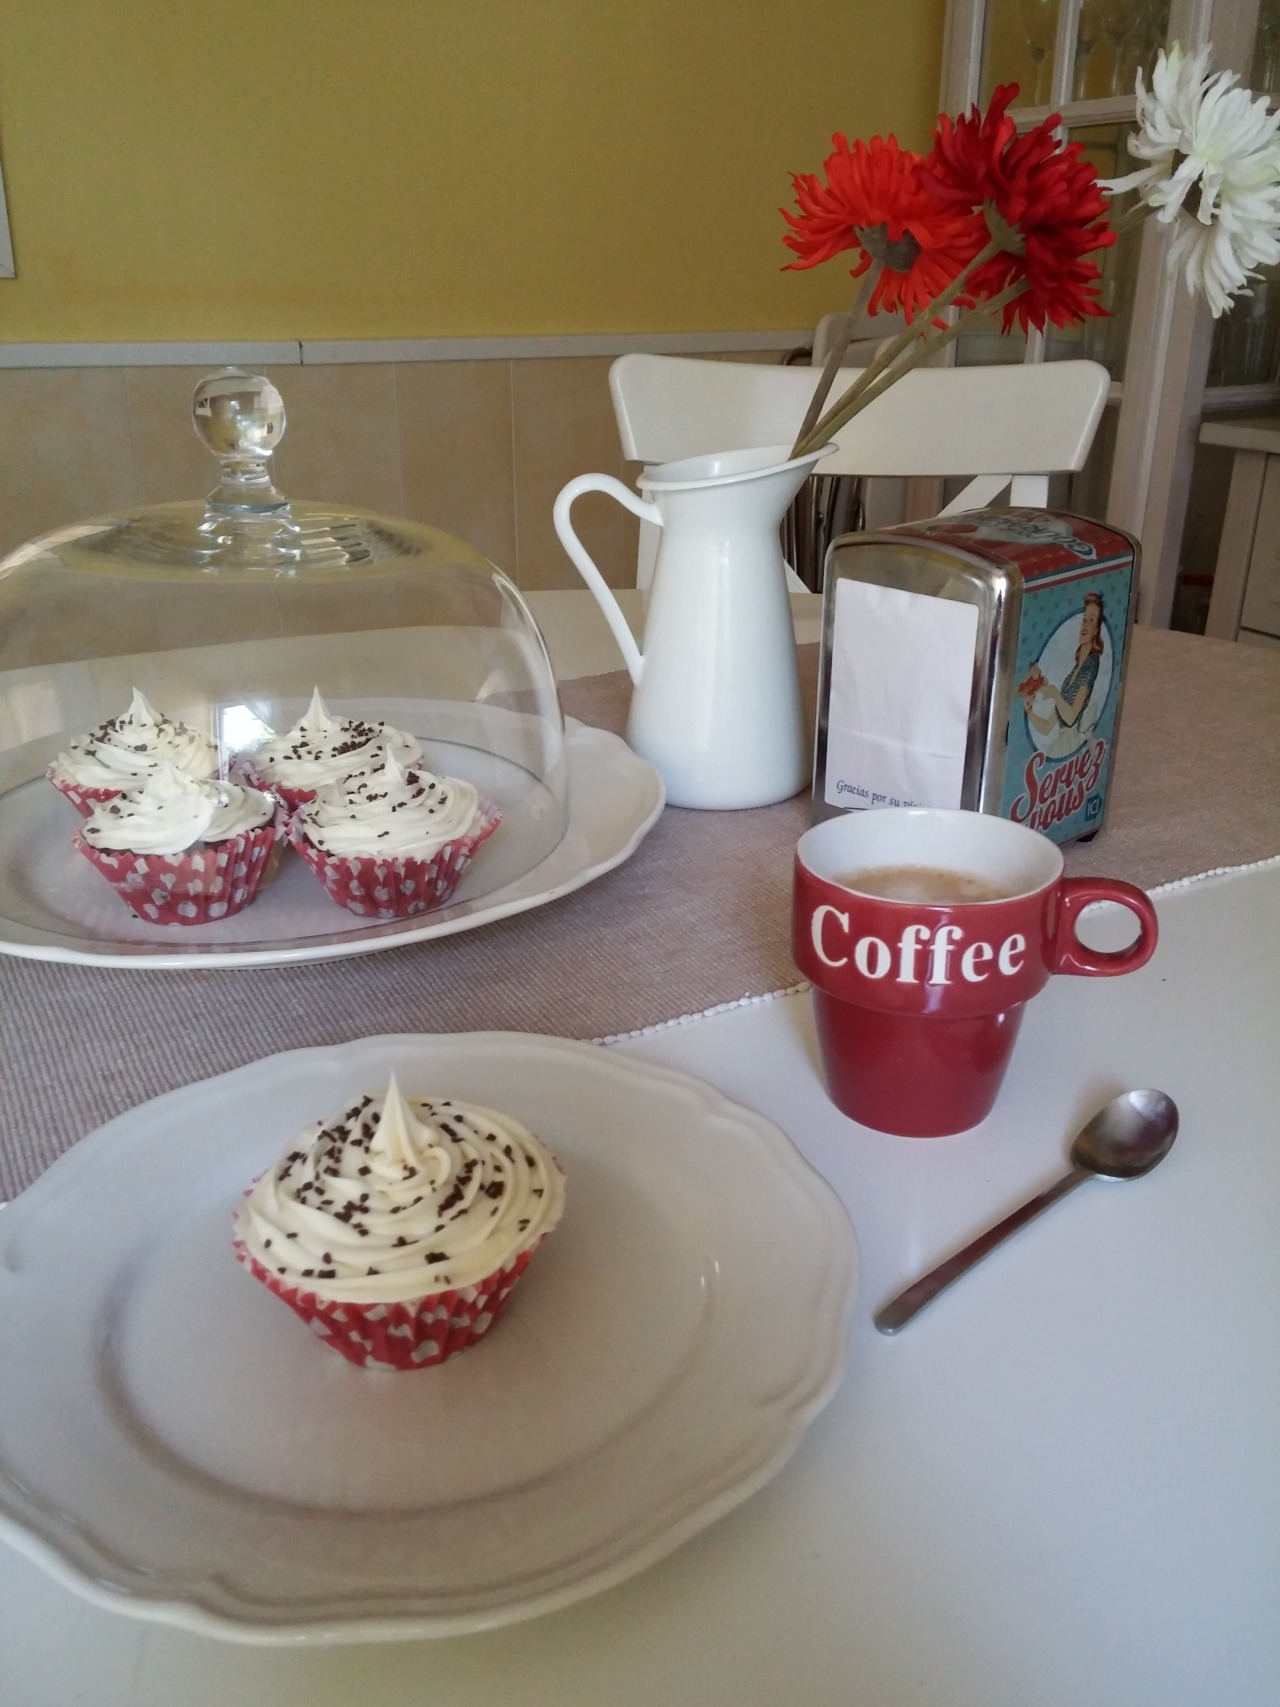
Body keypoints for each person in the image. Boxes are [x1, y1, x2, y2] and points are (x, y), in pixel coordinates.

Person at [1020, 591, 1105, 741]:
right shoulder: (1073, 673)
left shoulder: (1091, 664)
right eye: (1084, 619)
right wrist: (1030, 712)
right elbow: (1047, 727)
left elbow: (1071, 718)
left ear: (1097, 629)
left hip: (1071, 740)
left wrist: (1054, 694)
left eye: (1091, 620)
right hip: (1061, 742)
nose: (1085, 624)